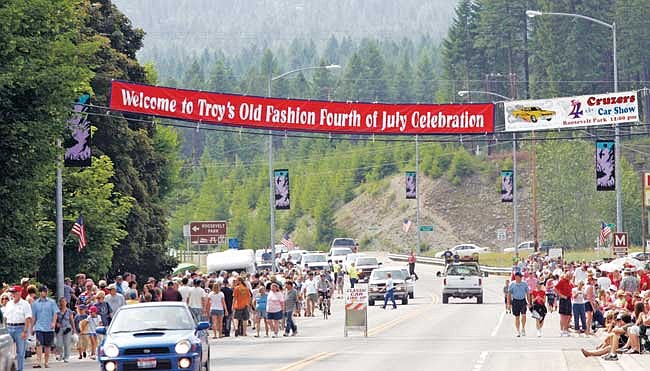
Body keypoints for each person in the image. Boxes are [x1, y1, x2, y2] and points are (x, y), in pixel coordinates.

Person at [4, 286, 32, 371]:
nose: (12, 294)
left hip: (20, 328)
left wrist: (25, 331)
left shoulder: (25, 304)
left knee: (20, 352)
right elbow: (5, 317)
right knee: (6, 351)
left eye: (14, 292)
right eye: (12, 292)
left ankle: (20, 369)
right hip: (9, 328)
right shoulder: (9, 304)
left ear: (19, 293)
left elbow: (28, 318)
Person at [31, 285, 58, 368]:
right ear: (40, 292)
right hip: (39, 327)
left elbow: (55, 313)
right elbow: (34, 317)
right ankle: (39, 362)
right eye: (43, 291)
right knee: (39, 345)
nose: (45, 293)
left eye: (46, 291)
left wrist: (53, 322)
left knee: (47, 346)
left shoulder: (52, 302)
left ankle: (46, 362)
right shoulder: (35, 303)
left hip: (49, 327)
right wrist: (32, 327)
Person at [507, 271, 531, 337]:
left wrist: (529, 302)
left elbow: (528, 293)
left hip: (523, 301)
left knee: (524, 315)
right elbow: (509, 294)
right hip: (515, 301)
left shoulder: (524, 284)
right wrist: (508, 304)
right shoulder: (512, 284)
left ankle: (523, 328)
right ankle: (518, 331)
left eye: (520, 277)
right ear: (516, 277)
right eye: (518, 277)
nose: (519, 278)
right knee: (517, 317)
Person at [54, 297, 75, 363]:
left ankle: (66, 357)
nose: (62, 303)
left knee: (67, 343)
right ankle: (61, 354)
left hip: (67, 328)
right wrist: (56, 323)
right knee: (59, 344)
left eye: (64, 301)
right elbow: (54, 319)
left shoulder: (69, 311)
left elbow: (71, 320)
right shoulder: (57, 311)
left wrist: (73, 328)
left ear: (66, 302)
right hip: (59, 328)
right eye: (61, 301)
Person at [555, 272, 574, 336]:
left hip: (568, 299)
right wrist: (561, 295)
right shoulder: (562, 281)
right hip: (563, 299)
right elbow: (555, 289)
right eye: (570, 276)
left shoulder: (569, 282)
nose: (571, 278)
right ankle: (562, 330)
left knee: (568, 315)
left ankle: (565, 329)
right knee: (563, 315)